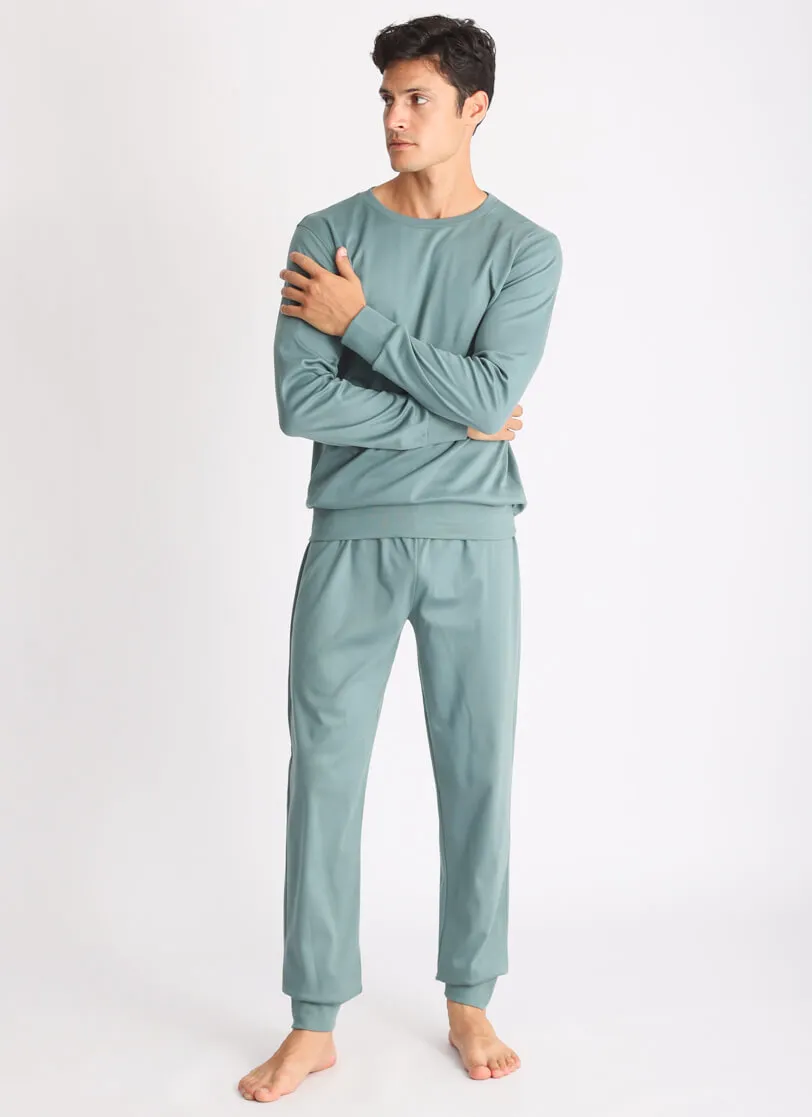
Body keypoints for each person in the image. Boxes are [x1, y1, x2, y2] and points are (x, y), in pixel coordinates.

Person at [238, 13, 563, 1102]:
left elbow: (493, 390)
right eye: (386, 97)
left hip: (475, 543)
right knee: (323, 774)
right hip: (350, 537)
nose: (394, 117)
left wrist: (362, 324)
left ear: (475, 109)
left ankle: (469, 996)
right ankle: (313, 1018)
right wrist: (464, 418)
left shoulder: (525, 249)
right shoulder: (326, 232)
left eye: (417, 98)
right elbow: (301, 403)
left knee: (477, 770)